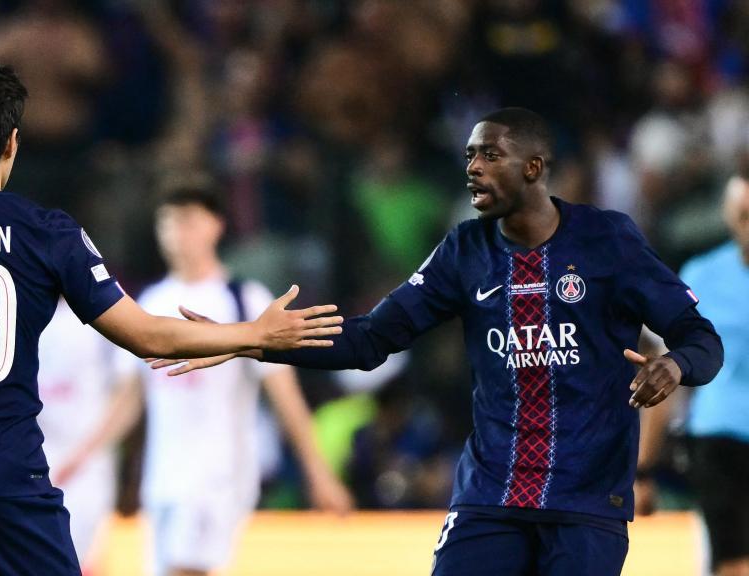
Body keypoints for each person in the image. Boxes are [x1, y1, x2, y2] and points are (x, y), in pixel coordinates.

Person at [0, 51, 342, 576]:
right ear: (11, 143)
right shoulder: (49, 231)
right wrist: (253, 334)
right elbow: (147, 337)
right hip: (10, 484)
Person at [157, 107, 724, 576]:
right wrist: (252, 339)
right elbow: (370, 339)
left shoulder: (607, 241)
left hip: (585, 500)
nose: (473, 168)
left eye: (489, 155)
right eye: (469, 156)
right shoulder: (464, 252)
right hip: (491, 496)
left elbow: (701, 339)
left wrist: (674, 365)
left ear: (533, 168)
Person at [58, 180, 353, 576]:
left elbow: (285, 397)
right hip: (162, 481)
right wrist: (80, 455)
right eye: (170, 223)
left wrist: (319, 473)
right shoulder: (149, 304)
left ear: (215, 226)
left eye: (188, 222)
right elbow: (130, 399)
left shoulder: (243, 299)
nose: (178, 234)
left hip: (217, 478)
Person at [637, 173, 749, 576]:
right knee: (733, 560)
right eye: (743, 214)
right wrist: (643, 469)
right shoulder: (702, 276)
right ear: (727, 213)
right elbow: (664, 374)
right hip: (718, 441)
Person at [36, 300, 119, 572]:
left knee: (77, 560)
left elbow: (126, 389)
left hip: (86, 468)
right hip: (32, 463)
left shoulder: (104, 311)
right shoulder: (20, 306)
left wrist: (86, 452)